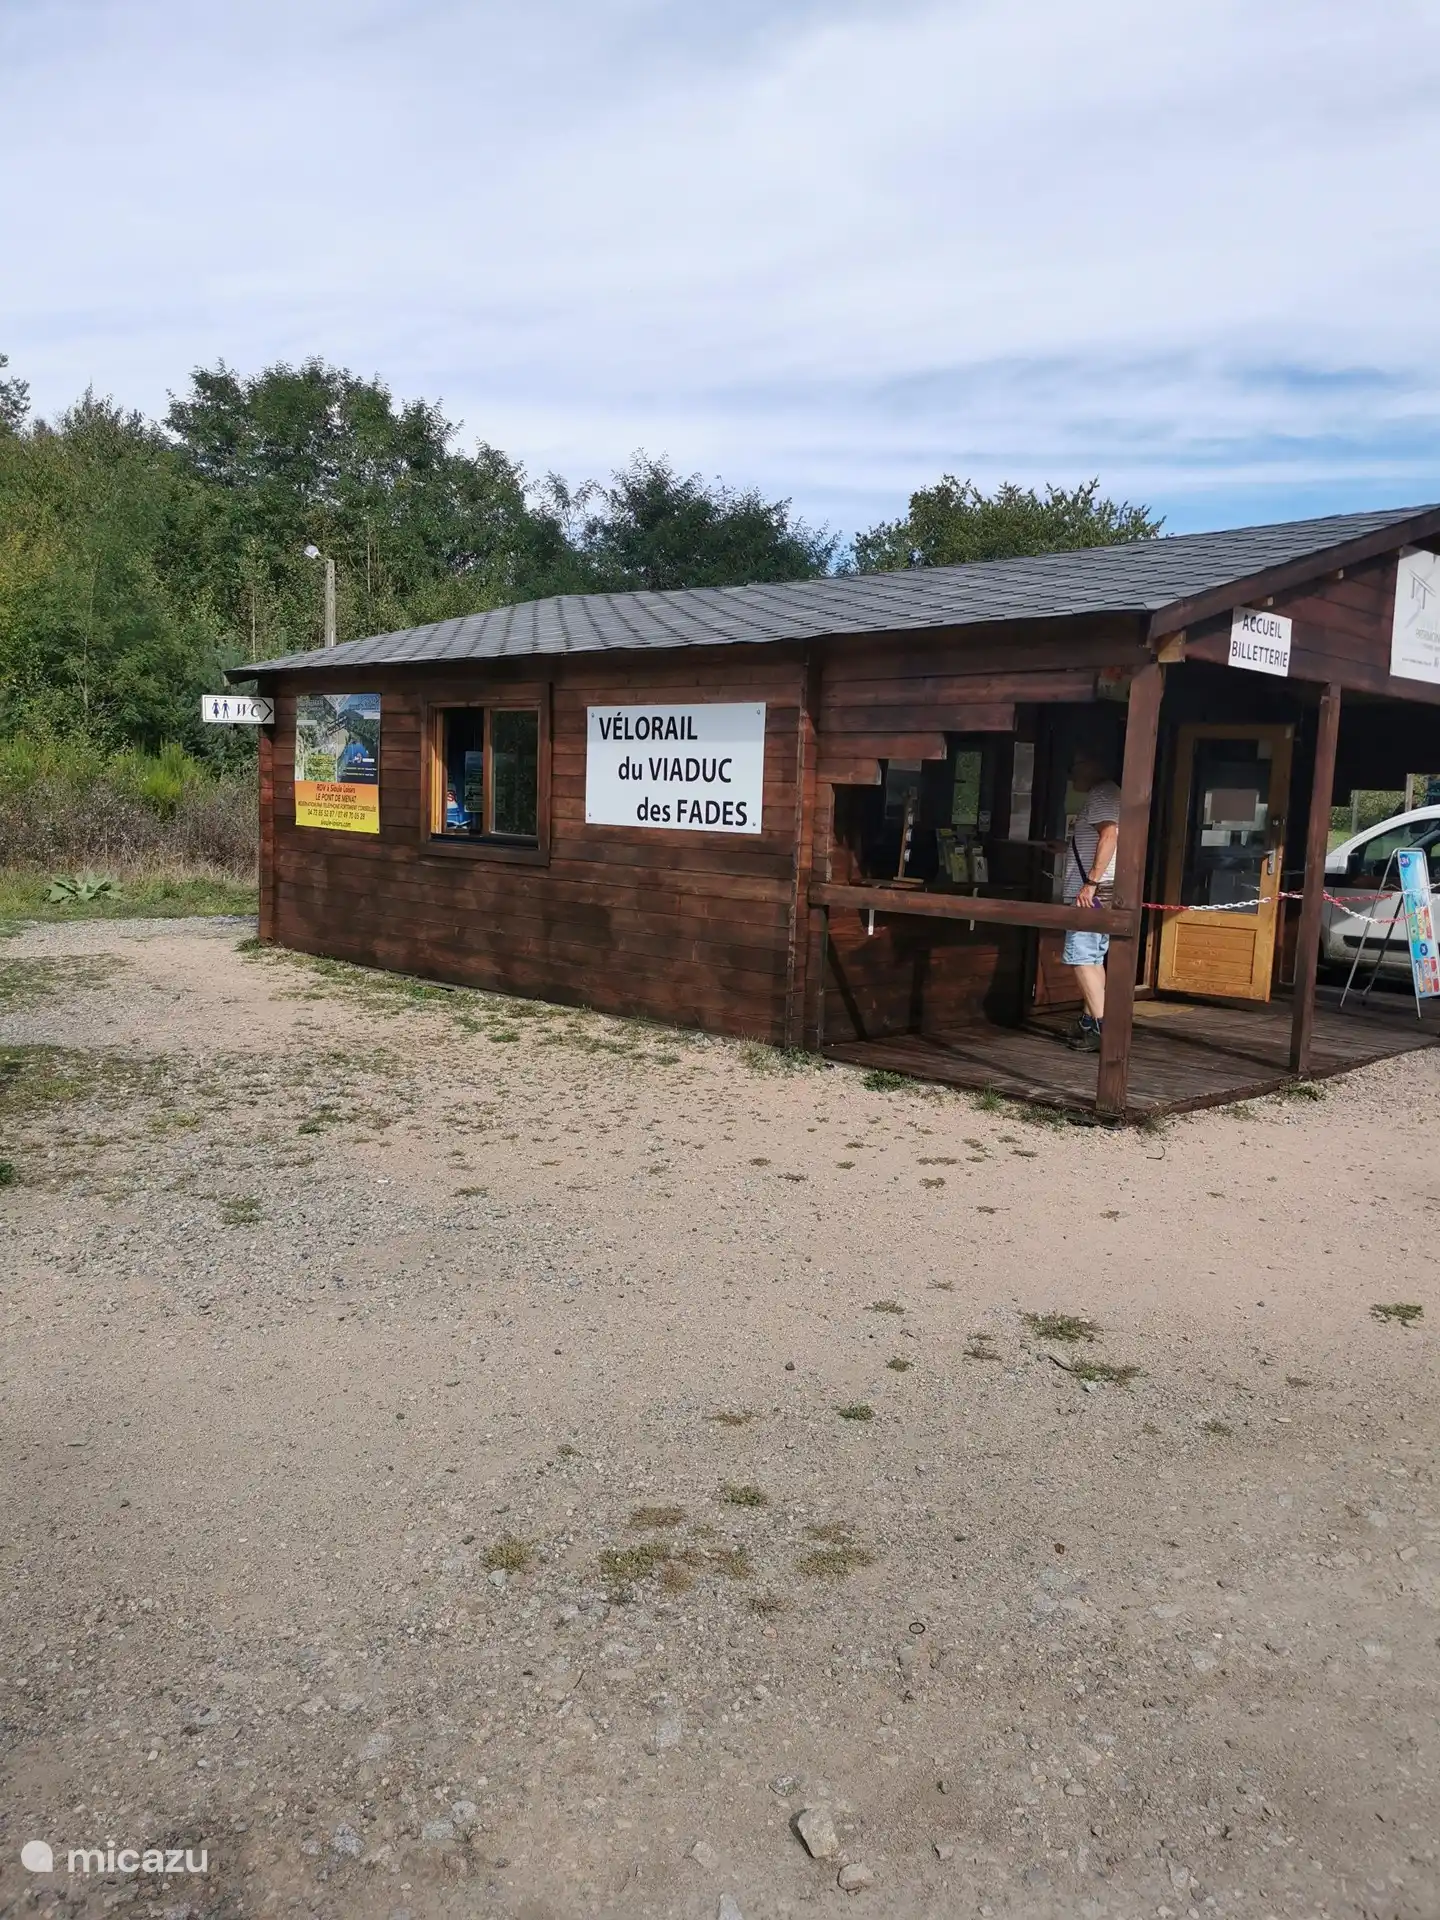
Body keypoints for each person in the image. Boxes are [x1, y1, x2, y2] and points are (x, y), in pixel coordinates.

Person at [1061, 748, 1122, 1052]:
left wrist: (1090, 884)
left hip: (1093, 892)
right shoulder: (1110, 793)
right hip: (1105, 890)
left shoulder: (1101, 794)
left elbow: (1109, 836)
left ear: (1092, 765)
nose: (1071, 774)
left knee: (1080, 956)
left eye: (1076, 765)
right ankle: (1089, 1021)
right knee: (1094, 957)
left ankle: (1101, 1026)